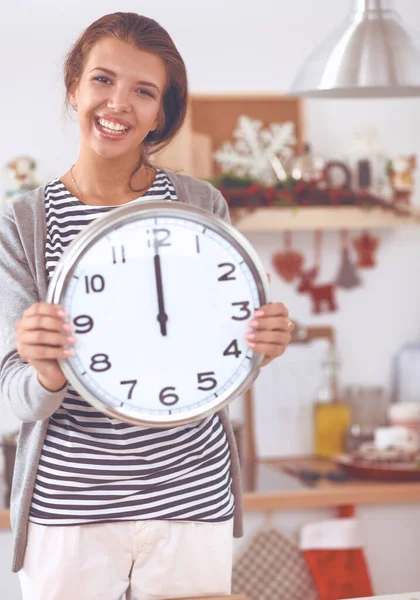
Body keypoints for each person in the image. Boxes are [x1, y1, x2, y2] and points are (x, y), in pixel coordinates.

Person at [0, 12, 294, 600]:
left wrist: (264, 346)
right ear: (74, 88)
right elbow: (15, 395)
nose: (118, 103)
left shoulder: (200, 203)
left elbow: (219, 360)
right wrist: (47, 367)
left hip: (191, 502)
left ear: (162, 112)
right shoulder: (25, 222)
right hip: (72, 511)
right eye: (103, 81)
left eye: (143, 90)